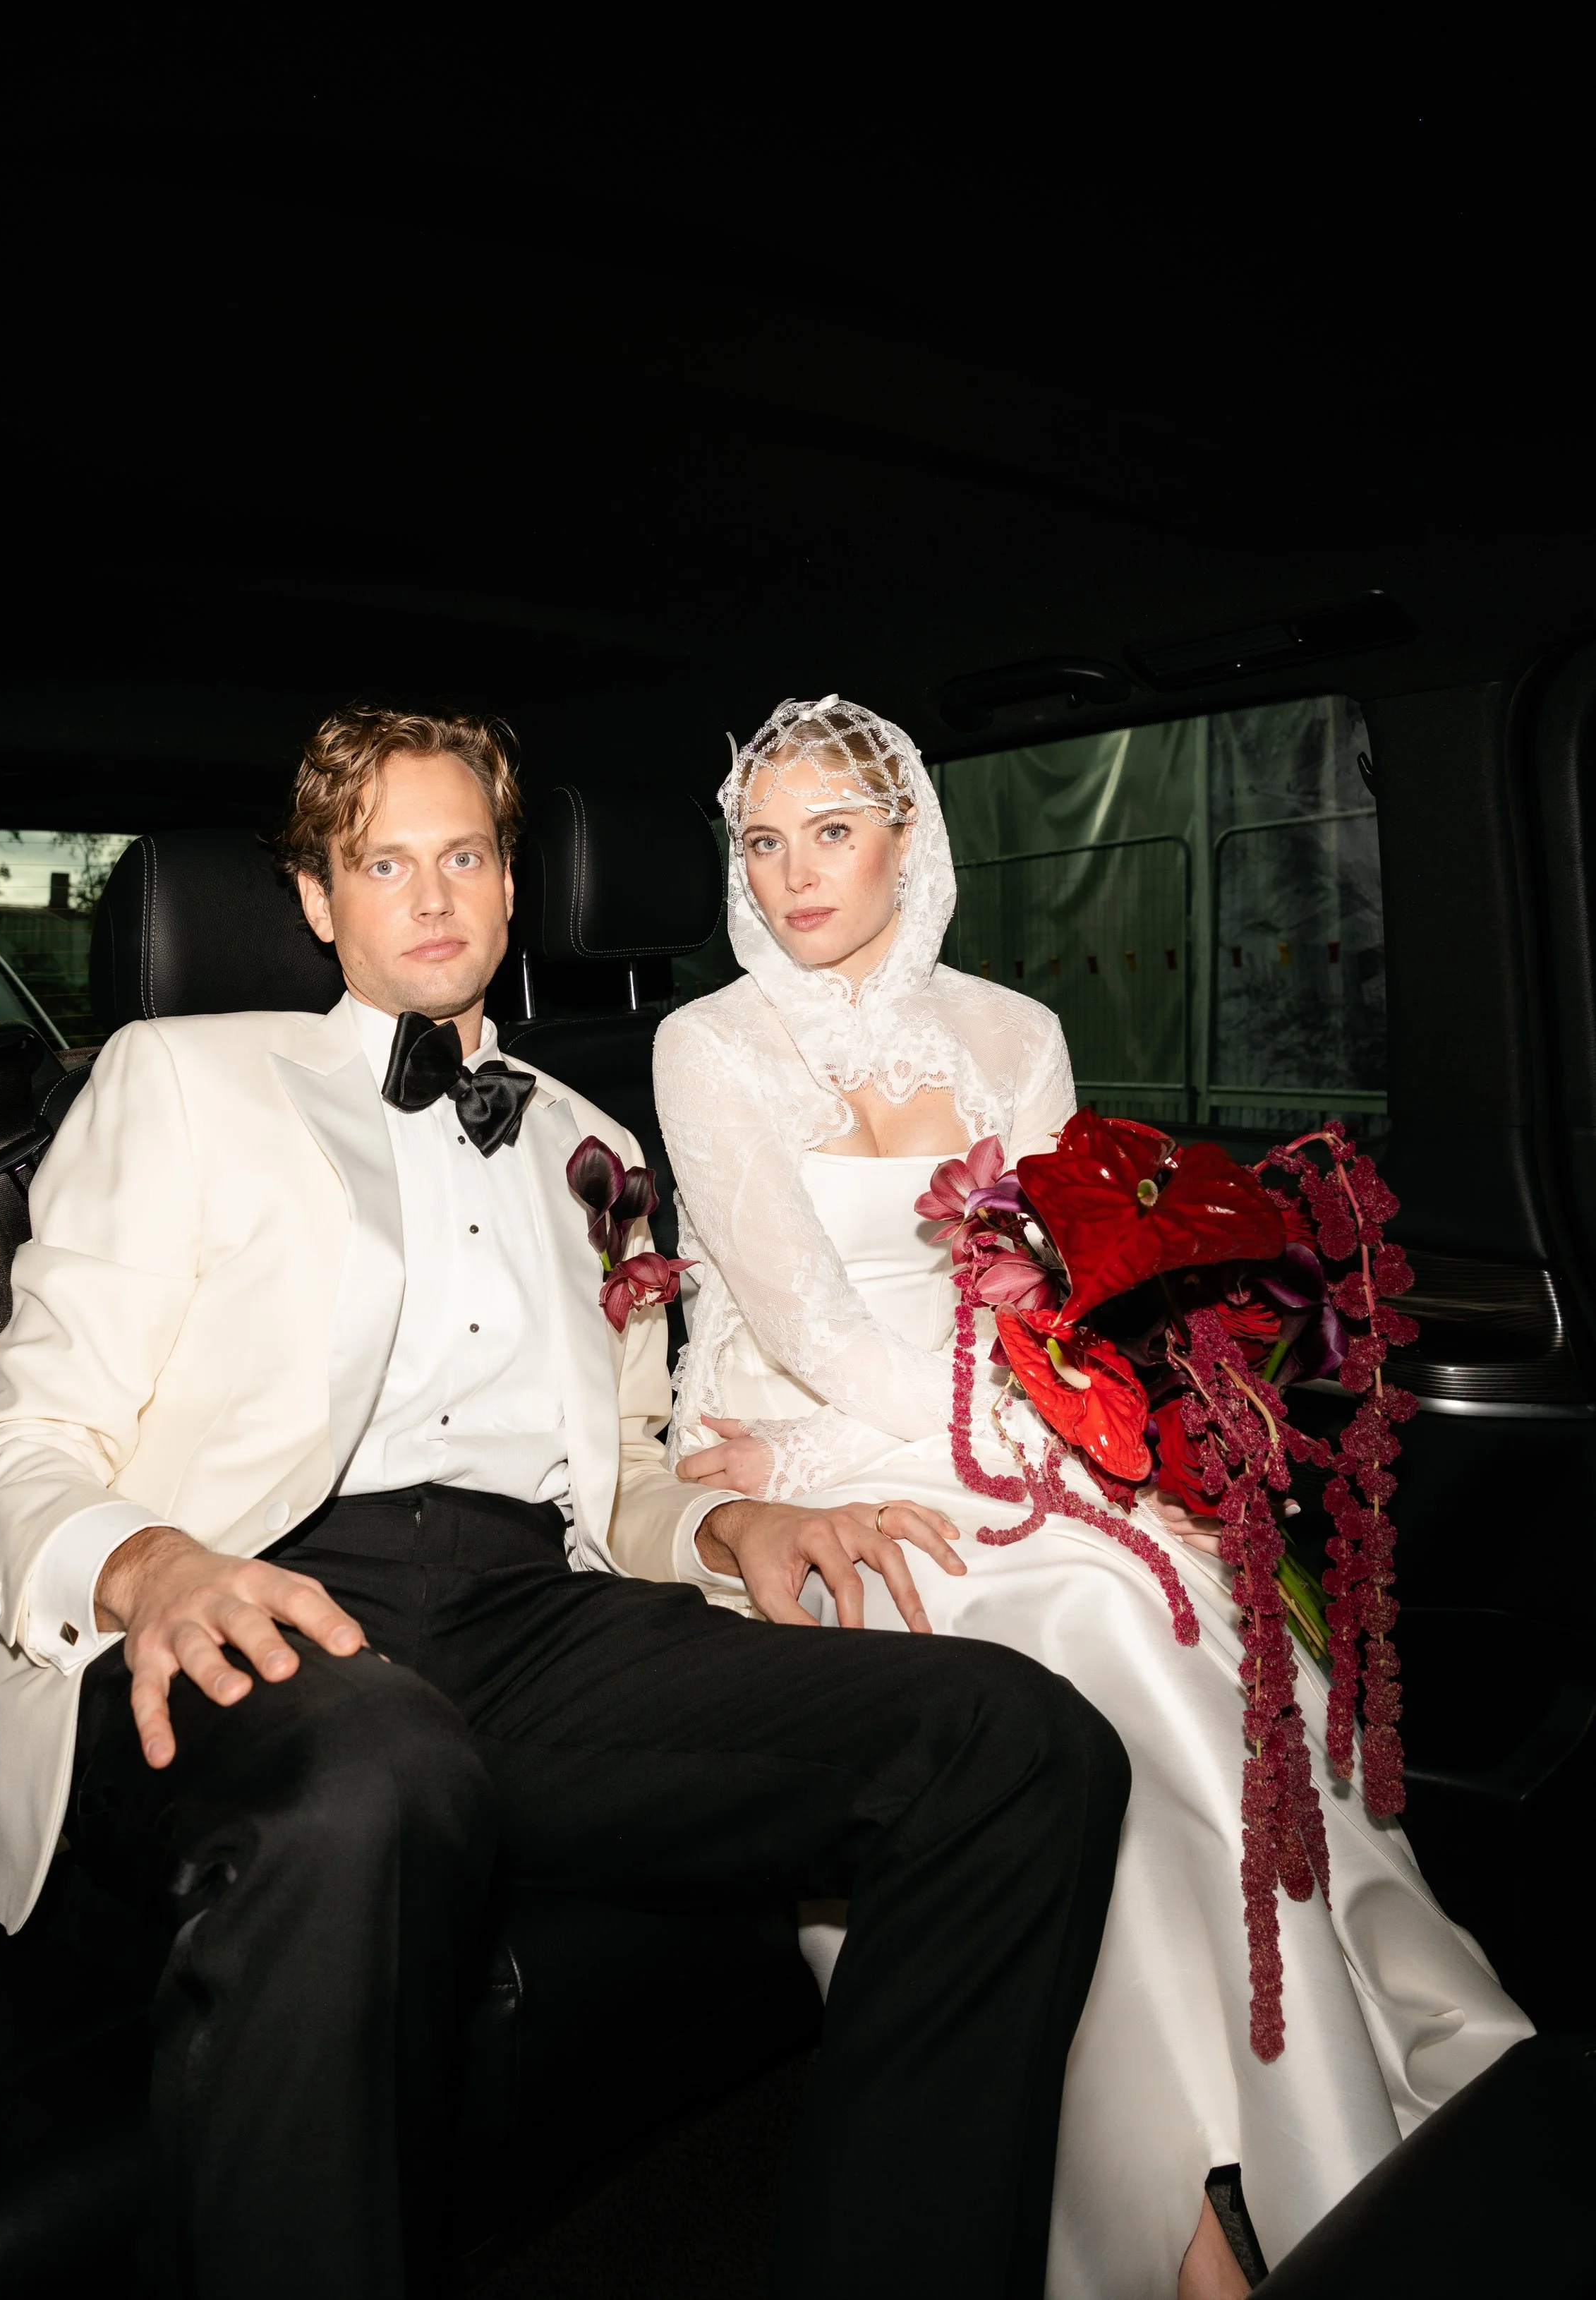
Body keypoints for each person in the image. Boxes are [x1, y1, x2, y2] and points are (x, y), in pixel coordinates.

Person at [0, 701, 1130, 2300]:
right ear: (317, 901)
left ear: (510, 887)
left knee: (1017, 1743)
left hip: (526, 1618)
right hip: (248, 1602)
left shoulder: (592, 1145)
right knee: (374, 1766)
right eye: (383, 864)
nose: (432, 896)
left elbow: (621, 1475)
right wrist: (152, 1564)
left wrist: (728, 1526)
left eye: (465, 857)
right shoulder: (180, 1081)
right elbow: (9, 1448)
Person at [657, 693, 1534, 2300]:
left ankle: (1316, 2120)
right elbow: (809, 1328)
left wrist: (1103, 1460)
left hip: (998, 1427)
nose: (795, 875)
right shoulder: (707, 1044)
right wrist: (1044, 1472)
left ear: (906, 838)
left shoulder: (1012, 1031)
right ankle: (1186, 2232)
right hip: (805, 1445)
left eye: (832, 833)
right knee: (1091, 1612)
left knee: (1185, 1597)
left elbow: (1058, 1303)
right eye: (762, 843)